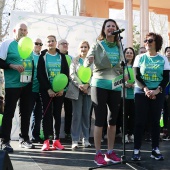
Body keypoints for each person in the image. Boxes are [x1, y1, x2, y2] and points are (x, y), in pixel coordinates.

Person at [84, 19, 124, 165]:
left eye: (113, 26)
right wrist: (88, 60)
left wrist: (124, 74)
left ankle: (110, 152)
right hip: (99, 85)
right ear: (104, 30)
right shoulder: (97, 44)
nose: (111, 28)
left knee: (112, 121)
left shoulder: (120, 47)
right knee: (100, 121)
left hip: (115, 86)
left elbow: (120, 66)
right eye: (108, 26)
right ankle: (98, 154)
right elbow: (86, 62)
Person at [131, 32, 170, 161]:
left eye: (150, 40)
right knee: (140, 121)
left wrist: (158, 90)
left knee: (155, 121)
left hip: (158, 92)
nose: (147, 43)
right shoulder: (139, 57)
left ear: (157, 43)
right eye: (146, 40)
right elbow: (136, 77)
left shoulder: (163, 59)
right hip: (142, 92)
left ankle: (155, 149)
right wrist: (146, 89)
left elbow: (166, 78)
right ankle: (136, 149)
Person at [0, 22, 34, 153]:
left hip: (26, 84)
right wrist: (12, 66)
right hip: (12, 85)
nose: (23, 32)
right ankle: (4, 141)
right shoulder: (7, 43)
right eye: (21, 29)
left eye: (25, 30)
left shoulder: (29, 45)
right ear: (15, 30)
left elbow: (31, 64)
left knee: (25, 113)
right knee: (9, 112)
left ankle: (24, 138)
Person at [37, 35, 69, 151]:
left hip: (59, 91)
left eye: (52, 41)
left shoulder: (61, 56)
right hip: (46, 91)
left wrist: (62, 89)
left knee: (57, 115)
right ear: (46, 44)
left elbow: (66, 73)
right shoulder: (43, 57)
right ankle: (46, 141)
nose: (50, 43)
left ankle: (56, 141)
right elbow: (40, 75)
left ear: (56, 43)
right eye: (48, 41)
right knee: (47, 115)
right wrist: (48, 89)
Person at [67, 40, 92, 149]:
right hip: (77, 91)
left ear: (88, 48)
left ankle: (86, 139)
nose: (83, 49)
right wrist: (80, 85)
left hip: (88, 91)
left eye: (85, 47)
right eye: (81, 47)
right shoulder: (74, 60)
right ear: (79, 49)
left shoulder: (92, 61)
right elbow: (72, 74)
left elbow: (95, 74)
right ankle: (75, 140)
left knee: (86, 115)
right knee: (76, 116)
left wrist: (87, 85)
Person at [119, 47, 135, 143]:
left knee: (133, 116)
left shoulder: (136, 66)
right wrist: (124, 84)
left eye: (131, 53)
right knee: (124, 116)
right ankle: (124, 135)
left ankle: (131, 133)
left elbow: (139, 78)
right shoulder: (121, 66)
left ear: (133, 55)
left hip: (133, 95)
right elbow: (116, 78)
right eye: (127, 52)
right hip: (123, 95)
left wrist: (133, 85)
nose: (129, 54)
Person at [58, 39, 72, 141]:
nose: (65, 45)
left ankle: (68, 132)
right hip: (58, 89)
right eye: (63, 44)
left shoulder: (71, 58)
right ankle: (55, 134)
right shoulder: (55, 57)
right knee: (56, 112)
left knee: (69, 111)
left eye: (66, 44)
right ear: (58, 46)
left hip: (69, 89)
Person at [30, 38, 43, 143]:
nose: (38, 45)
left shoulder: (43, 57)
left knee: (38, 114)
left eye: (40, 44)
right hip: (30, 90)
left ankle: (35, 136)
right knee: (27, 114)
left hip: (41, 90)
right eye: (36, 43)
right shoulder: (29, 55)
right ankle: (25, 137)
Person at [162, 46, 170, 141]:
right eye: (167, 51)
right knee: (164, 112)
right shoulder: (163, 63)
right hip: (163, 90)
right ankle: (164, 131)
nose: (169, 53)